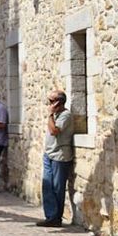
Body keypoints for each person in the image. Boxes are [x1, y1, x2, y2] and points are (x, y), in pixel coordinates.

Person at [37, 90, 74, 227]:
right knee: (47, 185)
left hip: (60, 156)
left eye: (52, 101)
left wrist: (50, 114)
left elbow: (54, 131)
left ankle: (56, 218)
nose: (49, 104)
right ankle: (50, 216)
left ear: (59, 102)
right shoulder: (55, 115)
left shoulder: (65, 115)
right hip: (49, 154)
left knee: (58, 188)